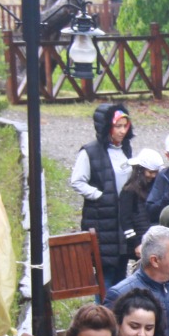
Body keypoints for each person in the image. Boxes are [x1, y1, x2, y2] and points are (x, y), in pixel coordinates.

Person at [71, 102, 135, 283]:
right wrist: (99, 196)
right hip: (101, 220)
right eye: (117, 126)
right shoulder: (89, 152)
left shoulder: (126, 149)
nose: (122, 131)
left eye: (125, 126)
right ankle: (102, 311)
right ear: (107, 127)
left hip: (122, 218)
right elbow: (77, 181)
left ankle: (118, 310)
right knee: (104, 272)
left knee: (122, 270)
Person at [120, 149, 164, 262]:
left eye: (155, 172)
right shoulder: (129, 190)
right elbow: (125, 221)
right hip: (140, 240)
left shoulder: (156, 188)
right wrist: (136, 243)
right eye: (150, 172)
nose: (153, 176)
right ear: (140, 170)